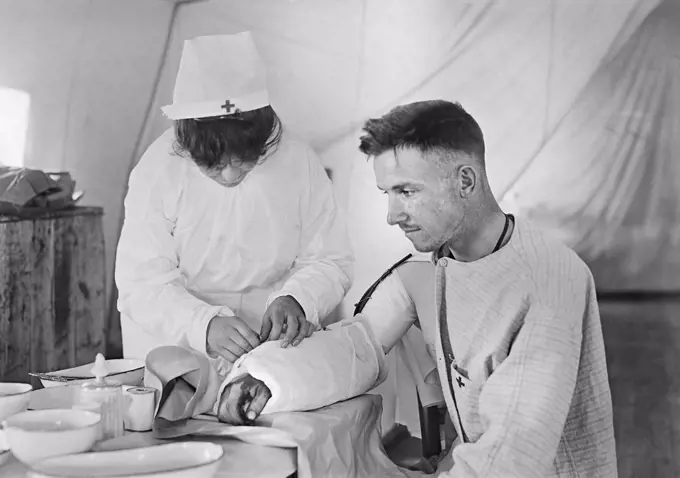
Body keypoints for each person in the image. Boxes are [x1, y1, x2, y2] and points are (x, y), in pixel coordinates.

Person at [216, 100, 618, 477]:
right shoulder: (430, 267)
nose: (392, 215)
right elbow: (359, 343)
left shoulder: (548, 280)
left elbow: (512, 458)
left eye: (407, 191)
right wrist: (268, 378)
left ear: (465, 180)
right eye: (387, 194)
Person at [115, 32, 353, 369]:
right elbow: (141, 284)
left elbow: (331, 259)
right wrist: (202, 324)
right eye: (212, 164)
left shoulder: (299, 162)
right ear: (187, 143)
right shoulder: (158, 171)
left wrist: (298, 299)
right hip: (173, 341)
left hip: (269, 342)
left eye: (243, 160)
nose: (229, 176)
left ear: (263, 137)